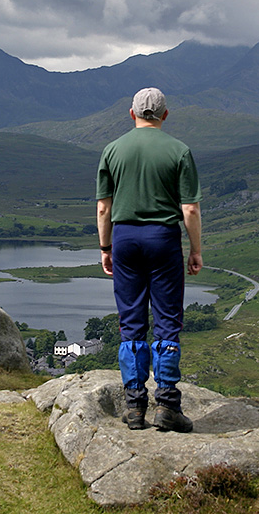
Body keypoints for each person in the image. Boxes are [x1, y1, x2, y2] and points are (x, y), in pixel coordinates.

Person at [96, 87, 203, 433]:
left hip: (125, 239)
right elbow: (189, 208)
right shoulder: (179, 151)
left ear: (132, 114)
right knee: (168, 319)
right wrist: (196, 249)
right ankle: (168, 405)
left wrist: (105, 247)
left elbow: (103, 208)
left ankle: (134, 406)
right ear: (165, 116)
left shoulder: (112, 150)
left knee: (131, 321)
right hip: (163, 239)